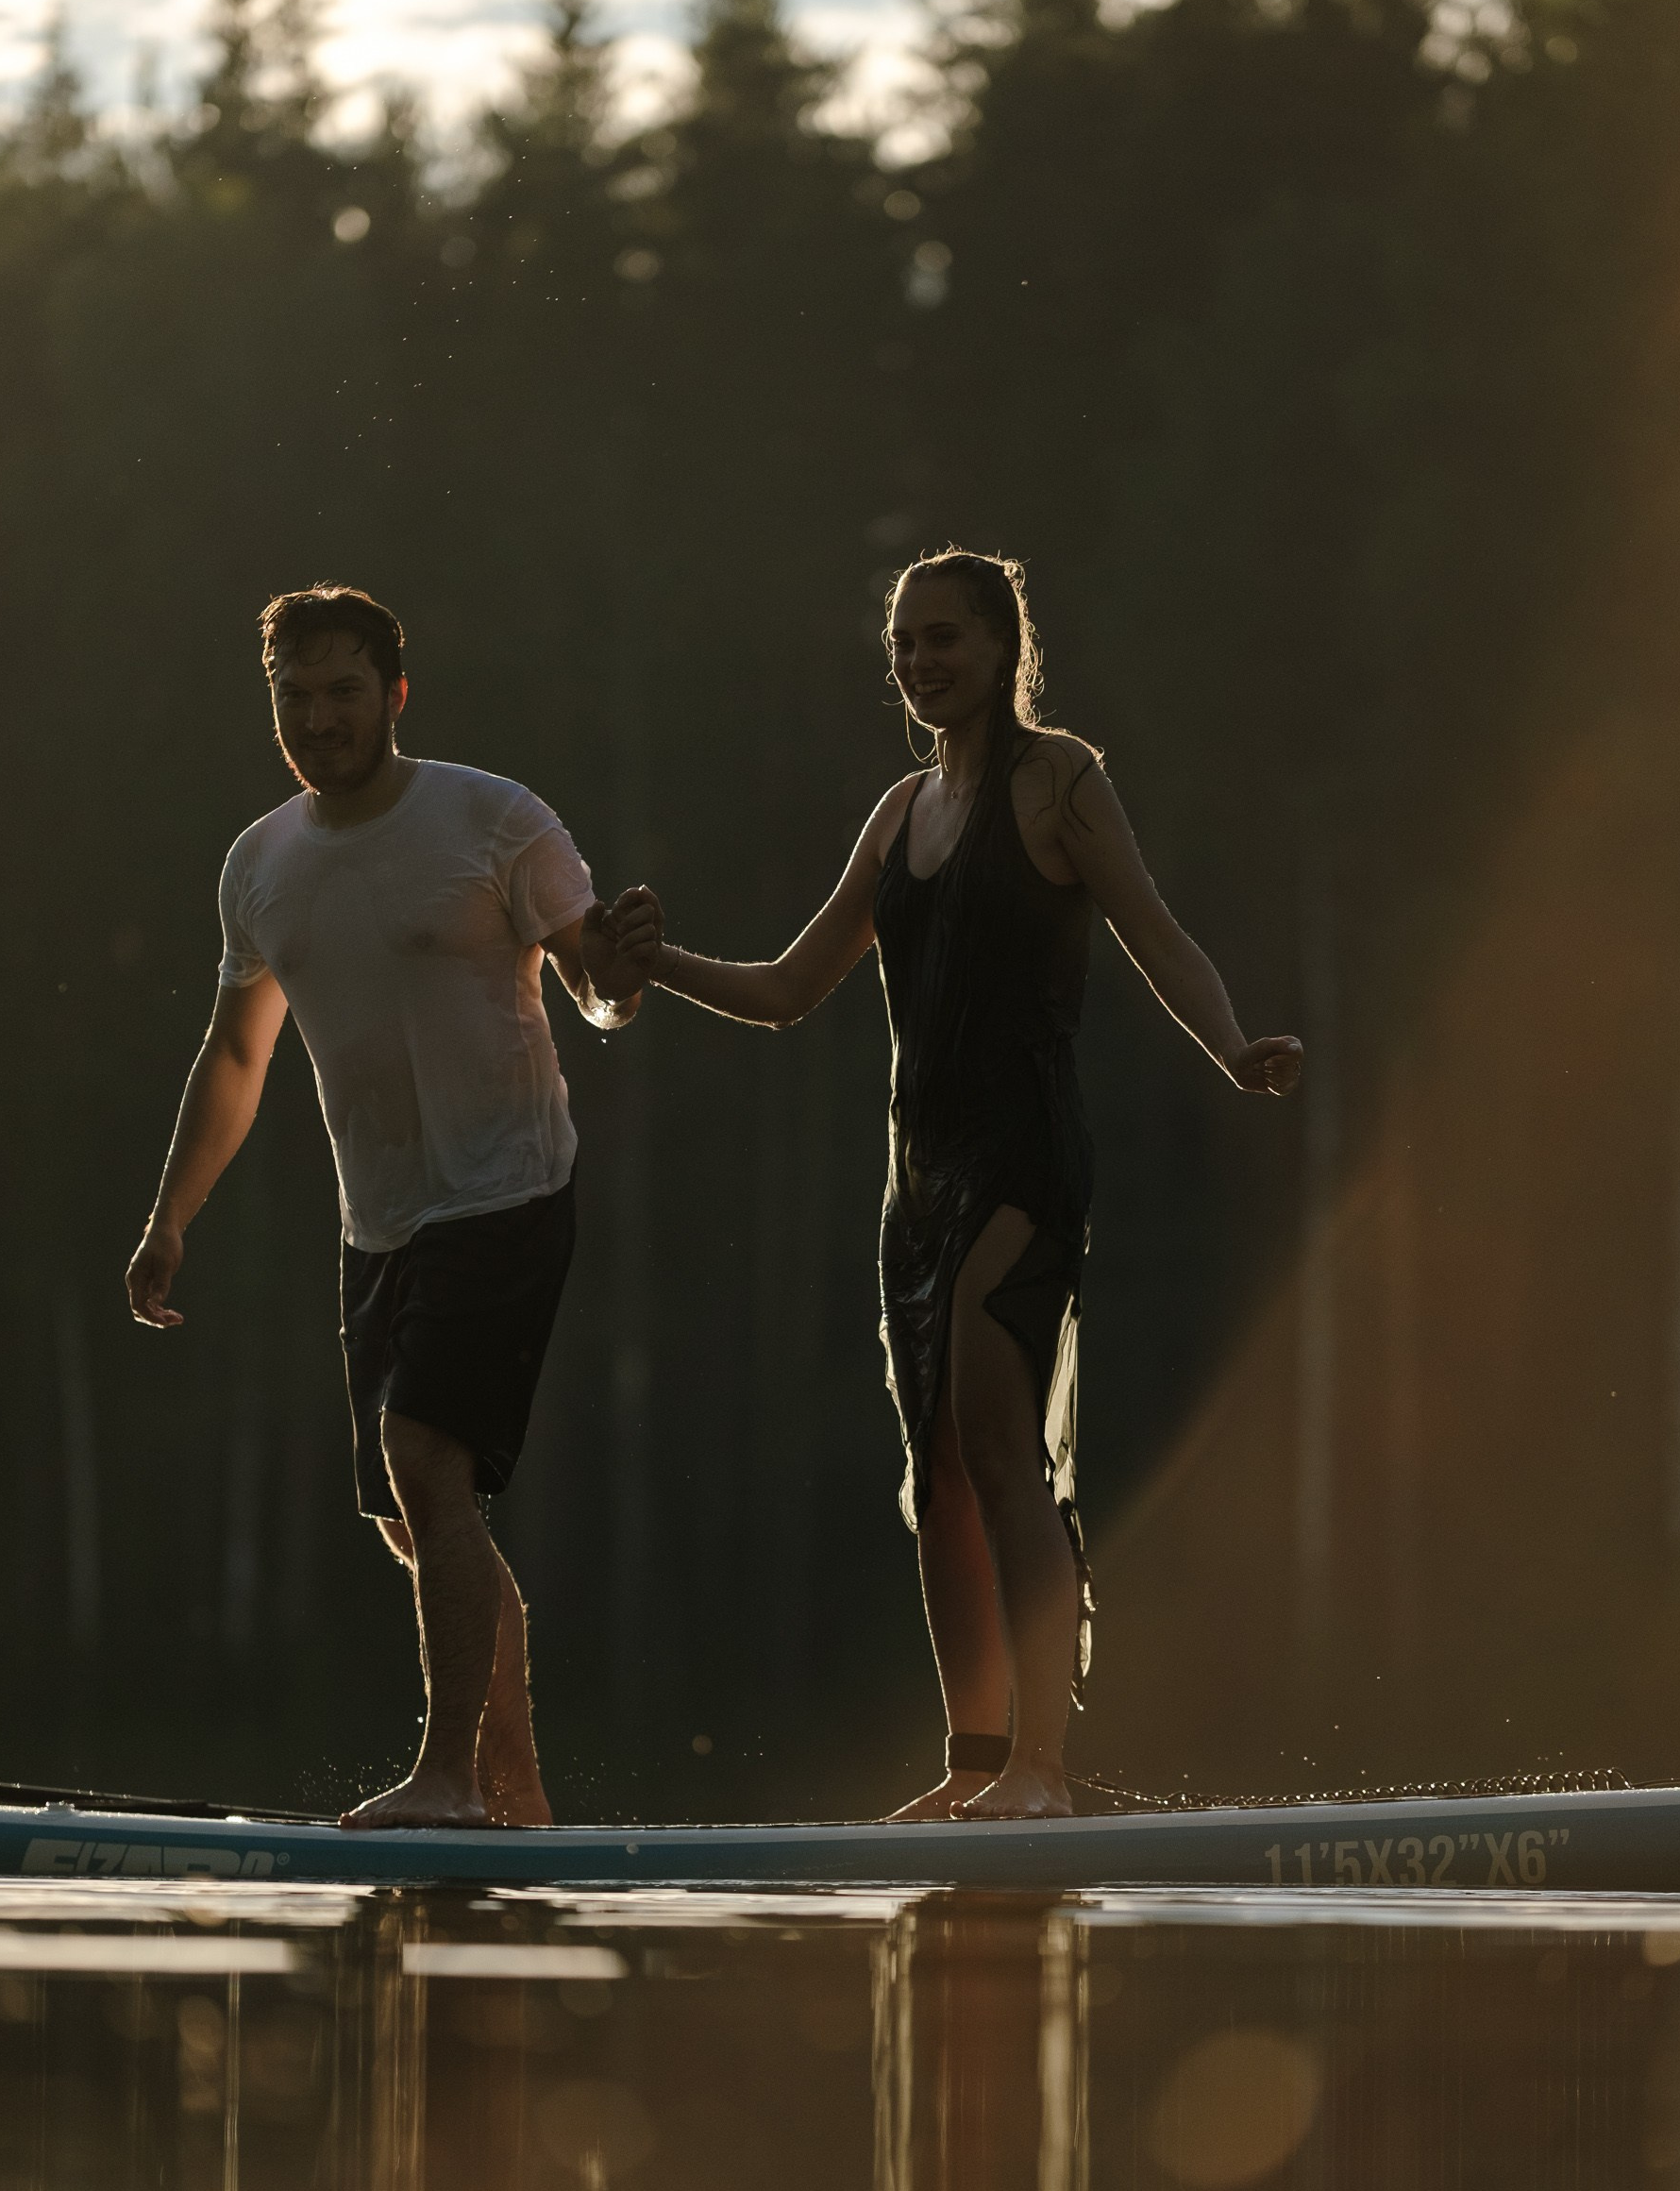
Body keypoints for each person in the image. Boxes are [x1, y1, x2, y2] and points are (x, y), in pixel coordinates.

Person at [603, 548, 1302, 1821]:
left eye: (946, 640)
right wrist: (660, 968)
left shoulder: (1060, 781)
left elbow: (1156, 930)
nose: (922, 663)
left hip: (1023, 1160)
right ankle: (975, 1767)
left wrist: (1236, 1046)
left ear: (1002, 648)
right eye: (906, 646)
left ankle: (1044, 1768)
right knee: (939, 1476)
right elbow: (789, 988)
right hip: (914, 1185)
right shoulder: (896, 813)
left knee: (999, 1444)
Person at [125, 583, 642, 1829]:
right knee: (423, 1521)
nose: (320, 717)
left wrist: (621, 974)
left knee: (426, 1462)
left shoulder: (495, 818)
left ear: (395, 694)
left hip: (511, 1186)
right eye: (295, 697)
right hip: (381, 1222)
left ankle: (449, 1778)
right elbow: (235, 1056)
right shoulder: (261, 864)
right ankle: (513, 1793)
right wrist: (168, 1217)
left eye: (344, 691)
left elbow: (597, 987)